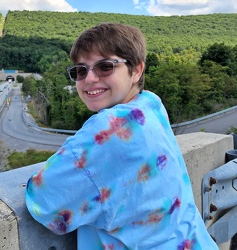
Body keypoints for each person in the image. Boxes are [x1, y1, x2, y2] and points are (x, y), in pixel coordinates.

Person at [25, 22, 218, 250]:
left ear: (136, 70)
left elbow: (45, 204)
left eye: (105, 67)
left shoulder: (108, 128)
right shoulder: (150, 104)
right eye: (80, 70)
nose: (89, 79)